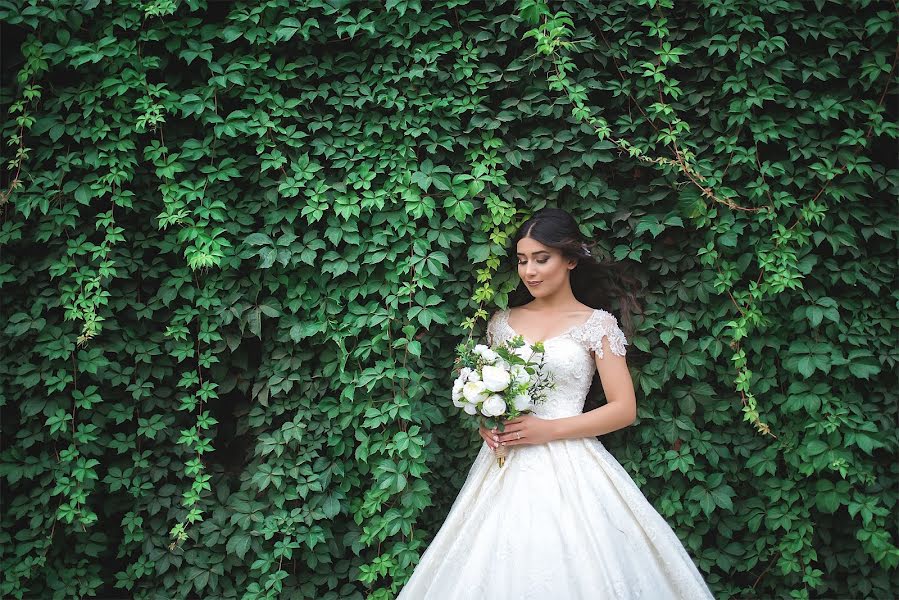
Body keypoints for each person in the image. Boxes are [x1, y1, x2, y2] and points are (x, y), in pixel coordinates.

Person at [395, 208, 715, 599]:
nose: (529, 271)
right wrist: (488, 419)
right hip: (505, 463)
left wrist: (548, 430)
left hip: (571, 461)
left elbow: (623, 408)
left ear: (571, 260)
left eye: (541, 259)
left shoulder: (597, 324)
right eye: (522, 260)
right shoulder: (500, 322)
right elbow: (494, 393)